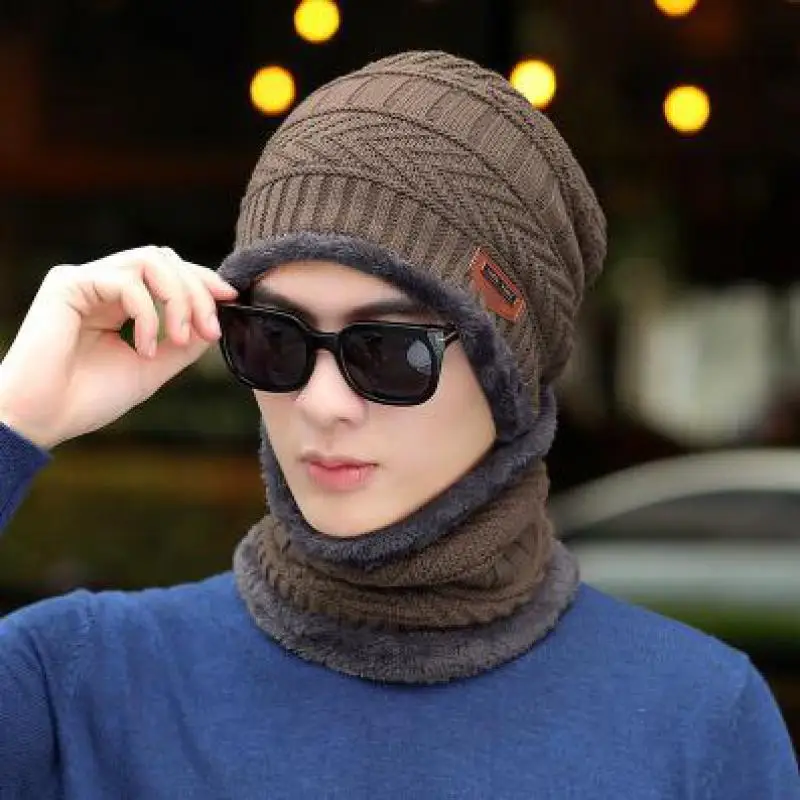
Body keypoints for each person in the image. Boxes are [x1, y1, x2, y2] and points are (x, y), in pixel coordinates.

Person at [0, 50, 797, 799]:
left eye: (388, 352)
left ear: (507, 374)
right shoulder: (76, 685)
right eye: (273, 340)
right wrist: (14, 419)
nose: (322, 402)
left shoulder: (698, 724)